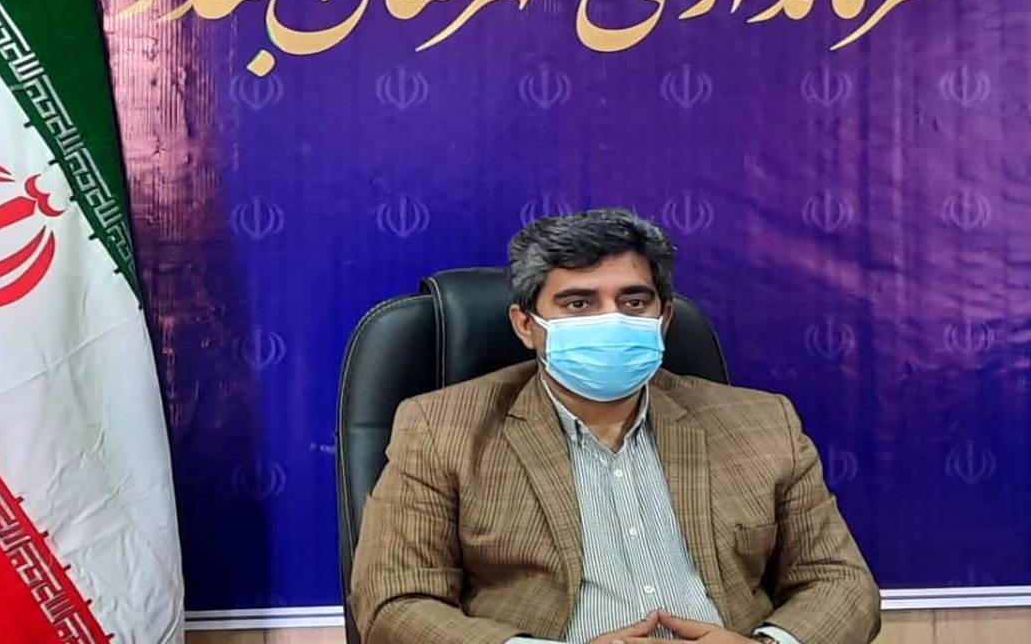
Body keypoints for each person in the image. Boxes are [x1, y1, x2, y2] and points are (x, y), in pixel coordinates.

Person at [350, 209, 881, 644]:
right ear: (526, 325)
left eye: (633, 301)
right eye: (579, 303)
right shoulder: (441, 429)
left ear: (663, 319)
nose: (611, 319)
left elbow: (840, 582)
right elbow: (395, 602)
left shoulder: (762, 422)